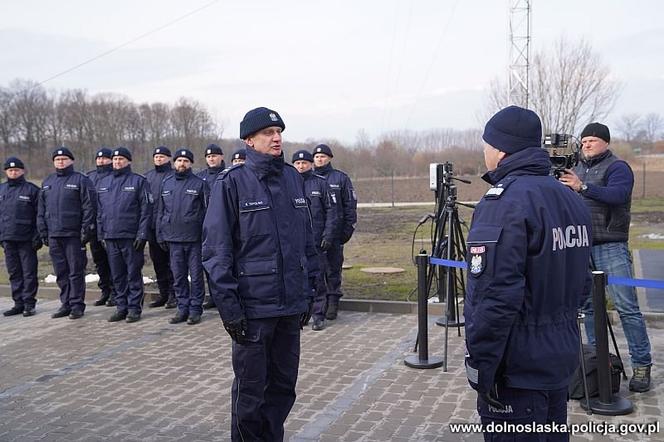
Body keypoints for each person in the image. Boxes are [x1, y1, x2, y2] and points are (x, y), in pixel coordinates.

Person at [464, 106, 592, 441]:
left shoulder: (503, 203)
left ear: (502, 149)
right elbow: (584, 285)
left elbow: (493, 297)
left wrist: (482, 366)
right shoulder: (570, 198)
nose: (484, 151)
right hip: (558, 358)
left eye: (487, 144)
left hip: (516, 370)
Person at [202, 107, 318, 441]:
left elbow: (305, 241)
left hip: (290, 307)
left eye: (279, 131)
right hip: (253, 311)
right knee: (250, 395)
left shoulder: (293, 178)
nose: (277, 137)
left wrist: (309, 290)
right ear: (249, 140)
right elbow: (216, 251)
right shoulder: (232, 184)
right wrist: (230, 308)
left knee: (283, 390)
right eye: (268, 132)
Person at [559, 122, 653, 392]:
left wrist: (583, 187)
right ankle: (596, 364)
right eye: (584, 140)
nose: (586, 144)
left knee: (627, 307)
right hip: (582, 246)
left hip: (611, 245)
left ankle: (641, 365)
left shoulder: (617, 167)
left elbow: (618, 195)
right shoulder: (575, 168)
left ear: (606, 143)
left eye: (592, 140)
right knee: (588, 308)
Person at [38, 147, 95, 320]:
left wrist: (86, 230)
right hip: (55, 235)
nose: (60, 162)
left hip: (73, 235)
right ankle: (66, 303)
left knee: (75, 271)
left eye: (64, 159)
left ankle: (77, 305)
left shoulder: (81, 180)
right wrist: (43, 230)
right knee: (61, 272)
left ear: (71, 160)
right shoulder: (48, 182)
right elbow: (41, 209)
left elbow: (89, 207)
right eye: (57, 159)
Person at [97, 147, 152, 323]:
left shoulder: (138, 181)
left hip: (131, 237)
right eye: (114, 159)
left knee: (133, 273)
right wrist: (101, 234)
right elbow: (99, 211)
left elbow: (146, 210)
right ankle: (121, 307)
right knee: (117, 275)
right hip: (111, 236)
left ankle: (134, 308)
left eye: (121, 159)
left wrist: (142, 234)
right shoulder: (104, 183)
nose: (117, 162)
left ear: (128, 161)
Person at [158, 148, 210, 325]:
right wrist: (161, 234)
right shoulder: (167, 183)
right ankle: (182, 308)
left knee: (196, 276)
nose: (182, 163)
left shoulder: (200, 184)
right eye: (179, 160)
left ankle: (195, 309)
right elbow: (161, 211)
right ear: (174, 163)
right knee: (178, 276)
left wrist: (207, 236)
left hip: (194, 239)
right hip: (173, 239)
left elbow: (208, 212)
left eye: (186, 161)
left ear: (191, 164)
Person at [292, 149, 339, 331]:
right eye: (297, 163)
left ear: (311, 164)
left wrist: (328, 235)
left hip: (317, 241)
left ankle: (318, 314)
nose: (301, 166)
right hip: (295, 242)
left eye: (304, 163)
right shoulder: (288, 184)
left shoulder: (321, 184)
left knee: (318, 279)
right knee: (297, 279)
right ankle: (300, 314)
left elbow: (332, 212)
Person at [312, 143, 357, 320]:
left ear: (329, 158)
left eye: (323, 156)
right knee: (316, 271)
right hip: (315, 235)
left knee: (333, 270)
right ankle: (318, 304)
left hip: (335, 235)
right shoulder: (309, 179)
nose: (319, 159)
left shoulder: (340, 178)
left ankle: (333, 302)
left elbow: (350, 206)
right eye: (316, 157)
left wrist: (347, 230)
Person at [0, 157, 41, 317]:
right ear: (6, 172)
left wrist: (37, 236)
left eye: (16, 170)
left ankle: (29, 303)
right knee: (14, 272)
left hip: (26, 240)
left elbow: (39, 215)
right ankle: (18, 303)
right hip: (8, 239)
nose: (13, 172)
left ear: (23, 171)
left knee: (28, 272)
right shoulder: (1, 190)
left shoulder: (31, 190)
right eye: (10, 170)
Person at [145, 146, 176, 309]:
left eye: (162, 156)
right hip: (152, 228)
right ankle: (163, 293)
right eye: (156, 156)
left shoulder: (173, 176)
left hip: (169, 227)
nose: (159, 159)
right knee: (158, 263)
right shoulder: (147, 177)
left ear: (169, 159)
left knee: (172, 263)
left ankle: (174, 294)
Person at [196, 143, 225, 310]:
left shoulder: (228, 175)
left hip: (223, 224)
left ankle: (226, 296)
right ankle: (214, 296)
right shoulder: (200, 177)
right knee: (209, 263)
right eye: (208, 156)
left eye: (214, 155)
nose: (211, 159)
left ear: (221, 157)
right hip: (205, 226)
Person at [87, 148, 117, 307]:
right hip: (93, 226)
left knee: (113, 260)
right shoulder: (90, 177)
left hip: (109, 225)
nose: (101, 161)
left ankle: (115, 292)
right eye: (99, 159)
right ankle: (105, 290)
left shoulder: (114, 176)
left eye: (105, 159)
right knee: (99, 261)